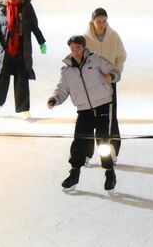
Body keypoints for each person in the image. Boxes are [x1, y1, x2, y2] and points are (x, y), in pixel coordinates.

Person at [47, 35, 120, 191]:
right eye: (72, 49)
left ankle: (109, 172)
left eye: (78, 48)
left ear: (84, 47)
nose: (75, 52)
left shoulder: (96, 60)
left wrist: (111, 76)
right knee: (79, 141)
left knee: (103, 141)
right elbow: (62, 89)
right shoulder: (67, 70)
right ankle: (74, 173)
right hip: (83, 110)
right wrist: (55, 99)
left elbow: (114, 71)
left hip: (103, 106)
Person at [0, 0, 46, 118]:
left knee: (22, 78)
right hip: (5, 49)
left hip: (22, 48)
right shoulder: (1, 7)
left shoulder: (26, 6)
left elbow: (34, 25)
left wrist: (41, 42)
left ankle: (23, 109)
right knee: (1, 77)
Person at [83, 7, 127, 158]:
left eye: (104, 21)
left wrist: (114, 74)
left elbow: (120, 57)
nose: (101, 24)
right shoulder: (85, 39)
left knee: (110, 118)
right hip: (91, 86)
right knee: (90, 118)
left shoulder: (114, 36)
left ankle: (112, 153)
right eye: (98, 21)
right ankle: (87, 154)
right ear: (93, 21)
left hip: (109, 83)